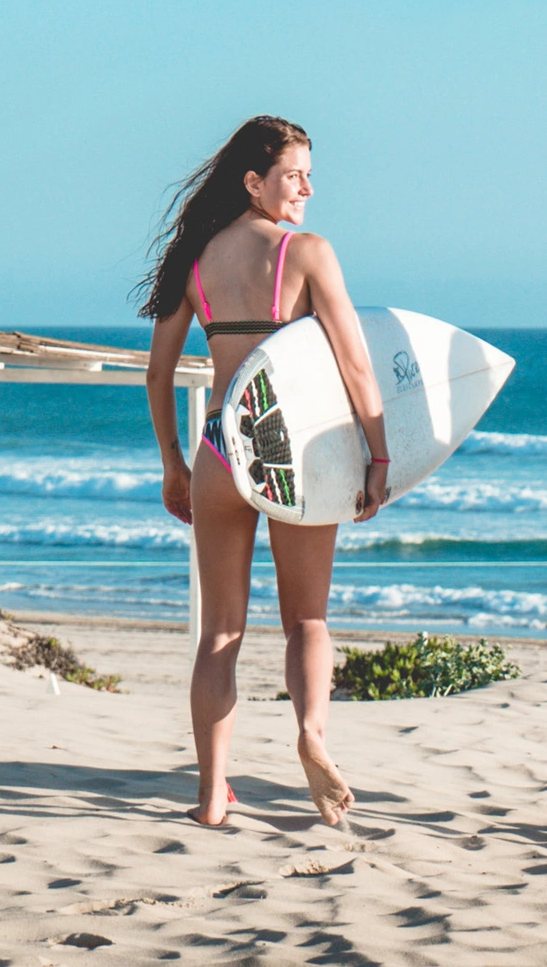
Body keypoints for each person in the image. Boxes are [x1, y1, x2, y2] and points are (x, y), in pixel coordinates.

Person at [142, 116, 392, 829]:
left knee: (219, 632)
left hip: (221, 446)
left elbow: (157, 375)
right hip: (297, 450)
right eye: (293, 174)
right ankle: (311, 733)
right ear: (254, 182)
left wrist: (171, 463)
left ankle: (210, 795)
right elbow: (353, 365)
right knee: (307, 619)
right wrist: (376, 456)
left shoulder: (192, 261)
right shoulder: (307, 253)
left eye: (309, 174)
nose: (306, 187)